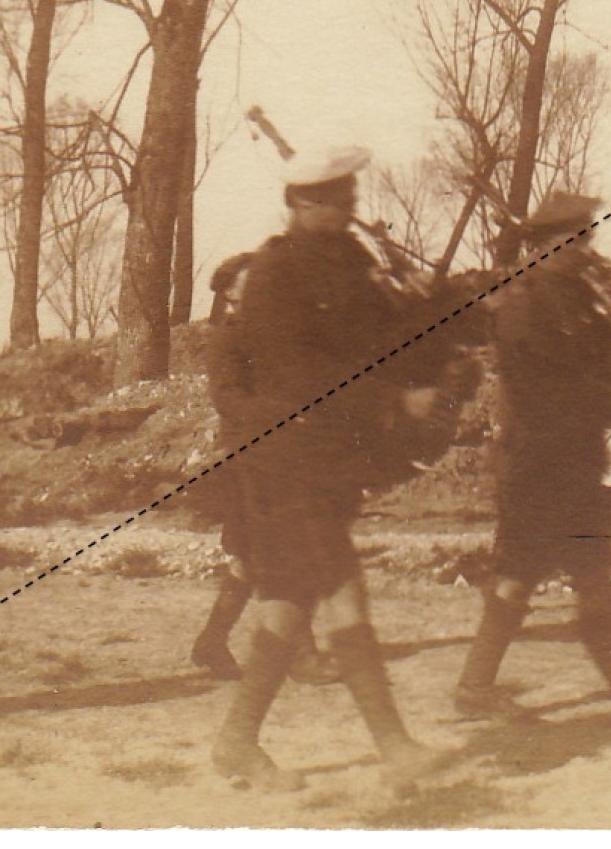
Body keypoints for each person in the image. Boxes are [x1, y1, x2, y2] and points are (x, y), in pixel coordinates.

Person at [209, 145, 445, 792]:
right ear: (301, 203)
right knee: (341, 586)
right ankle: (394, 746)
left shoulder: (349, 260)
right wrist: (391, 397)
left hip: (330, 459)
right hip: (286, 459)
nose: (350, 209)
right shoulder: (273, 275)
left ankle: (235, 741)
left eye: (350, 198)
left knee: (287, 601)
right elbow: (300, 375)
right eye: (337, 200)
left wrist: (438, 306)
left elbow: (380, 338)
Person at [453, 192, 611, 720]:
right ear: (548, 243)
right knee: (527, 576)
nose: (587, 247)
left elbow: (598, 362)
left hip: (573, 459)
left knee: (585, 575)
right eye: (578, 238)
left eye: (588, 235)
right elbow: (542, 390)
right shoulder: (524, 302)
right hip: (537, 463)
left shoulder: (575, 296)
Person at [189, 253, 339, 688]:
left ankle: (212, 642)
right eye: (250, 282)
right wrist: (282, 414)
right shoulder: (226, 341)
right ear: (230, 293)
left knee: (254, 559)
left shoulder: (274, 337)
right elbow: (227, 400)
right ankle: (301, 656)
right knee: (281, 553)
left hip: (280, 458)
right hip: (248, 461)